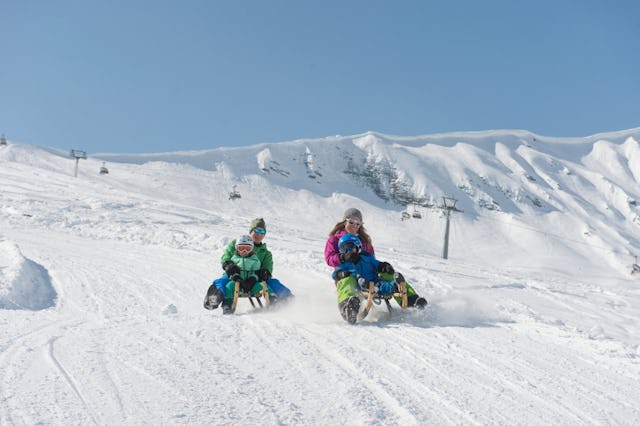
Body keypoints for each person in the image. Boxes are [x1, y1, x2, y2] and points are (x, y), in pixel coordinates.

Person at [324, 207, 427, 323]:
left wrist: (382, 266)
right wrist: (343, 257)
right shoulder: (335, 240)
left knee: (389, 275)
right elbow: (329, 258)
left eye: (358, 223)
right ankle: (348, 307)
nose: (354, 225)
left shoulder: (364, 241)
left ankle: (412, 299)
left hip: (368, 276)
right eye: (351, 222)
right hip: (347, 276)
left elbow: (371, 260)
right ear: (344, 221)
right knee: (347, 281)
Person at [203, 235, 275, 314]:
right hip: (237, 282)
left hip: (252, 283)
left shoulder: (255, 260)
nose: (244, 251)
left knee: (263, 286)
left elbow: (256, 272)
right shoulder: (234, 259)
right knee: (229, 286)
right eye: (241, 248)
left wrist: (253, 279)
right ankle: (226, 304)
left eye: (247, 249)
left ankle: (272, 299)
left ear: (252, 249)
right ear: (237, 248)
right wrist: (236, 277)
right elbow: (232, 271)